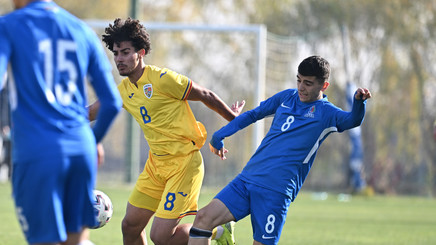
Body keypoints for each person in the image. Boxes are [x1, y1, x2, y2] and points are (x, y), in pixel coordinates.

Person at [87, 18, 244, 245]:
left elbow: (204, 94)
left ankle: (215, 230)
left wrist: (233, 120)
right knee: (130, 226)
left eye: (125, 52)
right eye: (116, 53)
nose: (119, 59)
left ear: (140, 53)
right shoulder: (123, 91)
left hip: (184, 164)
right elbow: (91, 112)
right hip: (156, 166)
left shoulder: (162, 79)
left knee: (160, 237)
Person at [188, 56, 372, 245]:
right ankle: (223, 232)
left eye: (308, 83)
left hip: (276, 192)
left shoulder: (327, 113)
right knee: (203, 218)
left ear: (324, 86)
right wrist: (220, 135)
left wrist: (359, 103)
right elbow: (253, 115)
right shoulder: (287, 97)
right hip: (247, 179)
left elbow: (352, 120)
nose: (301, 87)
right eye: (298, 80)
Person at [0, 1, 122, 244]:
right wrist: (92, 141)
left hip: (37, 152)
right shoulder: (81, 30)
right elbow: (112, 102)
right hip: (80, 150)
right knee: (75, 240)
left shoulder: (8, 25)